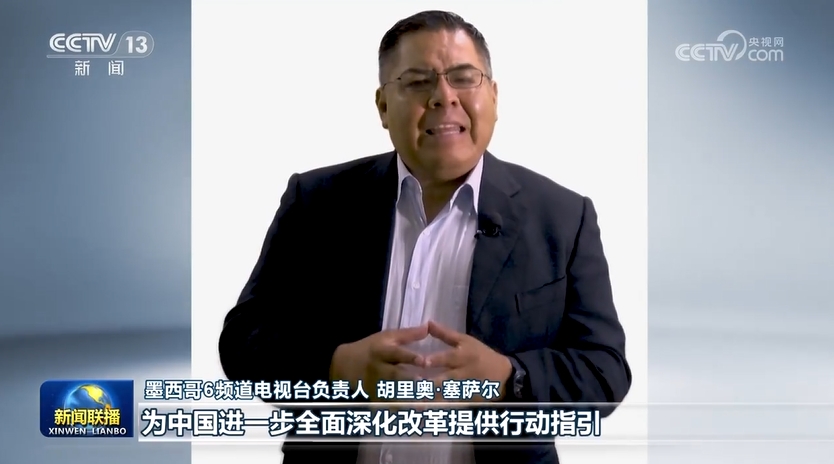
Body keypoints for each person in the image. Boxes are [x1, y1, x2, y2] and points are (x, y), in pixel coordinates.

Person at [219, 10, 631, 464]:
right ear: (382, 106)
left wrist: (509, 378)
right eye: (418, 81)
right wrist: (336, 366)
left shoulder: (563, 217)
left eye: (464, 78)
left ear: (493, 97)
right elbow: (242, 343)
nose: (443, 96)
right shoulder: (316, 201)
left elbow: (605, 372)